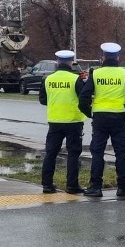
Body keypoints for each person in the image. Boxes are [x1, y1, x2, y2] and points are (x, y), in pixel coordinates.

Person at [78, 42, 125, 198]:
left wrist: (90, 113)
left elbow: (83, 98)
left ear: (103, 58)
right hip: (119, 118)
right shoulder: (124, 74)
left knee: (97, 152)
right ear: (118, 58)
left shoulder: (95, 74)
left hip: (100, 118)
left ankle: (95, 187)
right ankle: (123, 188)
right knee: (120, 153)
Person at [39, 50, 87, 194]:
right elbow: (84, 98)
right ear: (71, 62)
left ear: (58, 62)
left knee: (51, 153)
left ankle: (47, 185)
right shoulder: (75, 79)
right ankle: (72, 186)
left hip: (54, 122)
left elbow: (43, 100)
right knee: (73, 154)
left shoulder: (48, 79)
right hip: (73, 122)